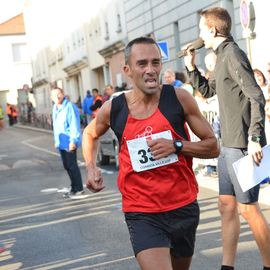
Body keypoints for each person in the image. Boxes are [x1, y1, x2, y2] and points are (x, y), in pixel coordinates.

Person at [82, 36, 219, 270]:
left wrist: (177, 146)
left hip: (182, 206)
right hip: (142, 211)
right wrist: (91, 167)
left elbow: (212, 146)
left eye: (155, 63)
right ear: (127, 70)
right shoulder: (115, 109)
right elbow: (89, 134)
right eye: (142, 63)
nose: (150, 70)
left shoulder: (178, 99)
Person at [184, 7, 270, 270]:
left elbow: (255, 95)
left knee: (248, 209)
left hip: (243, 144)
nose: (199, 34)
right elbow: (209, 90)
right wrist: (192, 68)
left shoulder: (232, 54)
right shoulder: (220, 56)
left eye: (201, 29)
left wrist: (255, 136)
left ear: (212, 30)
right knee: (226, 206)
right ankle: (227, 266)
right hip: (227, 144)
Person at [51, 87, 84, 198]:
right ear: (51, 97)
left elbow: (74, 124)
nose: (57, 97)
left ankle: (78, 188)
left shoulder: (69, 107)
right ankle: (74, 187)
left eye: (59, 94)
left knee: (72, 165)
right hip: (61, 143)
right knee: (67, 166)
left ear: (63, 94)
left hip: (69, 142)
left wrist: (73, 141)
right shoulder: (55, 107)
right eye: (54, 95)